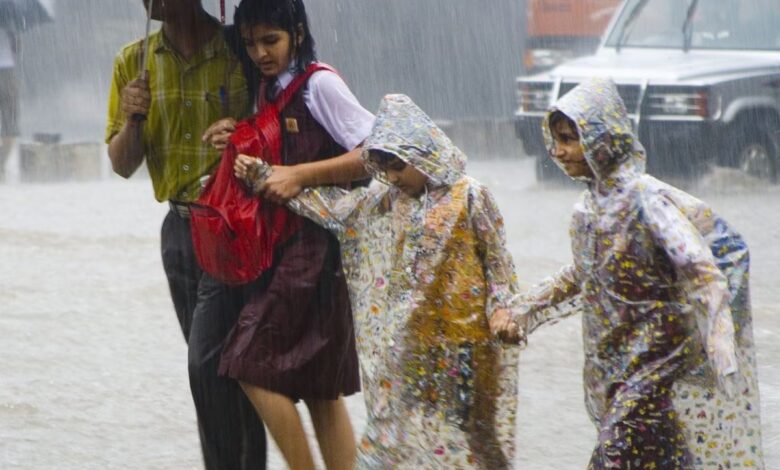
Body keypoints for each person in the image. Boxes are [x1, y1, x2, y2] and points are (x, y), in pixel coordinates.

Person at [235, 94, 523, 468]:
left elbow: (499, 266)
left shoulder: (470, 196)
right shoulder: (385, 204)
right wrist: (263, 175)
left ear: (424, 150)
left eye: (399, 165)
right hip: (407, 348)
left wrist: (502, 311)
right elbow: (329, 206)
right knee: (385, 442)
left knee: (478, 445)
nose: (394, 176)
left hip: (467, 349)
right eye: (384, 167)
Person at [506, 78, 764, 468]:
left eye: (568, 139)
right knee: (665, 456)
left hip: (659, 357)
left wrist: (719, 338)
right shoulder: (588, 208)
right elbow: (583, 275)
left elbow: (701, 270)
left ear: (602, 138)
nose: (558, 152)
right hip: (616, 359)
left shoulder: (647, 200)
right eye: (555, 140)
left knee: (614, 455)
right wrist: (525, 308)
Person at [208, 1, 373, 469]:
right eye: (250, 42)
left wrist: (300, 175)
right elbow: (271, 150)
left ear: (297, 34)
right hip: (284, 248)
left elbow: (377, 153)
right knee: (322, 389)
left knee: (245, 363)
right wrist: (236, 135)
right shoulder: (268, 87)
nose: (260, 53)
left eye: (271, 41)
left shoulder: (321, 84)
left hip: (317, 251)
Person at [104, 1, 266, 468]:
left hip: (235, 223)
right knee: (218, 367)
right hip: (179, 229)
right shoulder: (133, 61)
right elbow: (121, 164)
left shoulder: (241, 48)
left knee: (209, 364)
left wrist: (243, 133)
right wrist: (134, 118)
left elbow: (275, 124)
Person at [0, 20, 19, 181]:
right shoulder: (11, 21)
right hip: (7, 74)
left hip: (8, 74)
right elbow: (16, 50)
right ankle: (1, 165)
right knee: (10, 125)